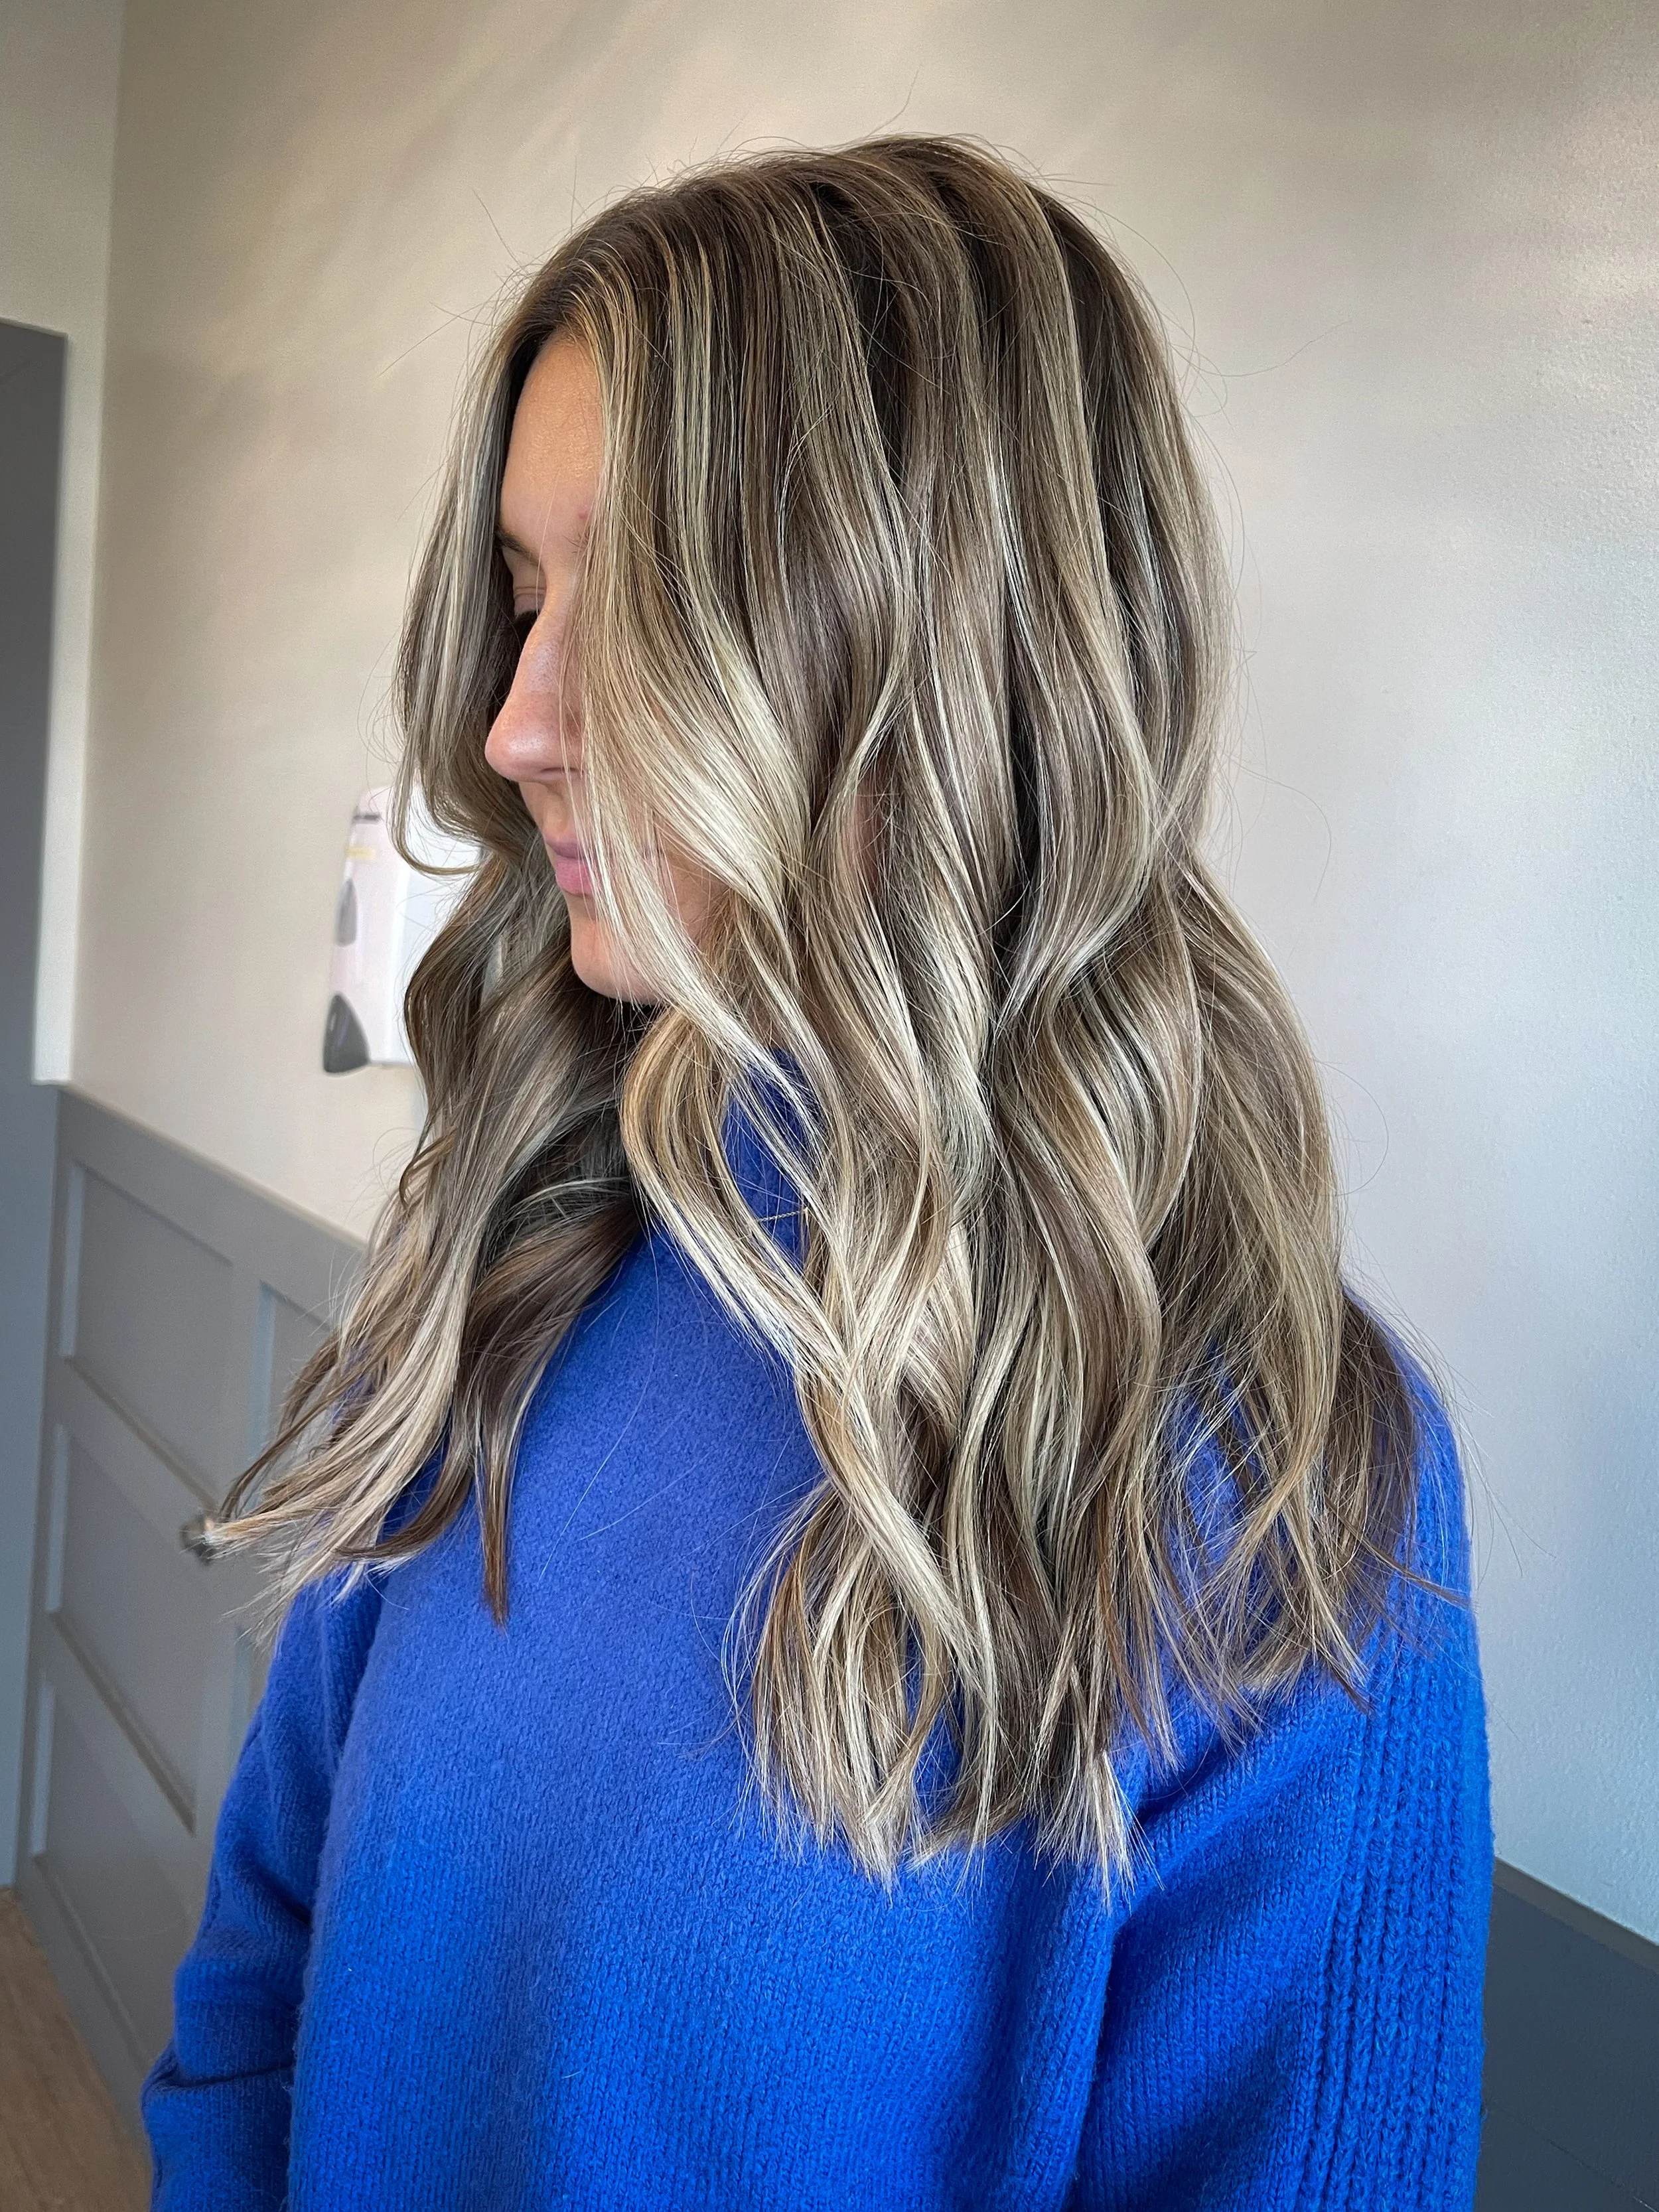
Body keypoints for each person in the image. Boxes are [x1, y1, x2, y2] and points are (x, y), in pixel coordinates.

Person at [140, 133, 1492, 2209]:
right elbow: (259, 1994)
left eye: (632, 603)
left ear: (949, 646)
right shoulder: (510, 1275)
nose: (513, 724)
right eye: (522, 599)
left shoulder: (1265, 1483)